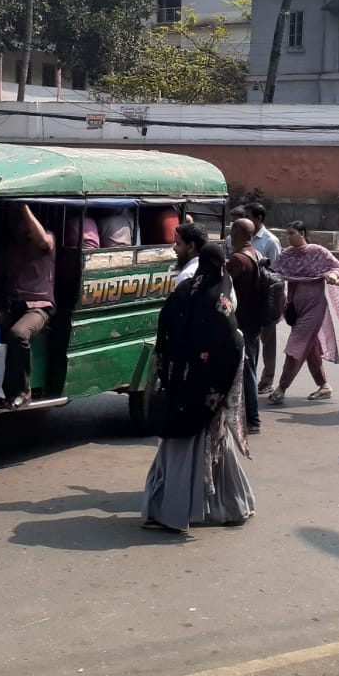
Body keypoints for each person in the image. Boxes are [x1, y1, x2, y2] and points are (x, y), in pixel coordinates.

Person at [142, 242, 255, 533]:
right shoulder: (220, 300)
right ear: (221, 266)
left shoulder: (181, 292)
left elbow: (163, 329)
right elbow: (232, 343)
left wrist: (169, 370)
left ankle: (230, 507)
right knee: (207, 446)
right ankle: (180, 512)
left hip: (180, 385)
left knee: (180, 449)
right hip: (206, 390)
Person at [267, 221, 339, 403]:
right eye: (286, 234)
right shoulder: (286, 255)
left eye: (291, 233)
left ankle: (281, 388)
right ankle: (324, 385)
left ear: (302, 233)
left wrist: (332, 275)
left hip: (314, 308)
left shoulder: (318, 252)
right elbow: (273, 274)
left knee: (295, 346)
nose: (288, 237)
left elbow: (336, 268)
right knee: (310, 348)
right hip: (294, 309)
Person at [0, 203, 56, 410]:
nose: (16, 224)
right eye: (13, 219)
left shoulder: (47, 239)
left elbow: (42, 240)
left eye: (20, 220)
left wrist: (23, 207)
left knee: (18, 334)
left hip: (39, 308)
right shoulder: (7, 248)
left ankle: (23, 391)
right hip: (10, 305)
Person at [226, 219, 265, 435]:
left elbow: (222, 283)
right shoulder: (256, 254)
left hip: (242, 323)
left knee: (247, 371)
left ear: (236, 233)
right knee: (249, 369)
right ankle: (246, 415)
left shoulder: (239, 259)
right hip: (255, 321)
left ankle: (253, 419)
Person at [245, 203, 282, 392]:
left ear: (258, 219)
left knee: (268, 342)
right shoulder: (242, 238)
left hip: (266, 298)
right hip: (248, 298)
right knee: (250, 339)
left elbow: (277, 273)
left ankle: (267, 380)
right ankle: (250, 377)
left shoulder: (270, 241)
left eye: (248, 216)